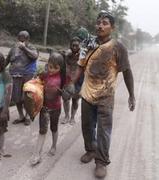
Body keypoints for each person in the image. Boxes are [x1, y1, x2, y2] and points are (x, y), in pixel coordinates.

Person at [72, 11, 136, 178]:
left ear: (112, 28)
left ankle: (101, 161)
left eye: (105, 23)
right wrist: (71, 84)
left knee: (103, 130)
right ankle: (91, 150)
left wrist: (132, 95)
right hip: (87, 93)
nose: (100, 25)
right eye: (98, 22)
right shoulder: (87, 44)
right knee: (86, 125)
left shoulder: (118, 47)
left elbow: (127, 72)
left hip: (106, 96)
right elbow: (80, 66)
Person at [30, 52, 68, 165]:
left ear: (60, 68)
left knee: (54, 129)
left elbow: (67, 95)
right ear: (48, 64)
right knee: (42, 130)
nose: (52, 70)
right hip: (44, 108)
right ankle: (37, 154)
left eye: (55, 68)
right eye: (50, 66)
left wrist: (64, 93)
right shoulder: (44, 75)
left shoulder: (63, 78)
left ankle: (54, 146)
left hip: (56, 108)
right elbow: (36, 82)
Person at [6, 31, 39, 126]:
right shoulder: (14, 47)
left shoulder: (31, 47)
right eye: (19, 37)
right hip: (15, 75)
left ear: (28, 39)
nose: (21, 39)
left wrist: (24, 48)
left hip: (28, 75)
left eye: (23, 38)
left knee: (27, 97)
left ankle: (28, 116)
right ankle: (21, 116)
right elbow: (8, 59)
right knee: (16, 97)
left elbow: (35, 56)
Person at [61, 37, 82, 125]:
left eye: (76, 45)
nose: (74, 47)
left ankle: (72, 117)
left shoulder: (82, 54)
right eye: (73, 45)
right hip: (67, 79)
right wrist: (65, 55)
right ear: (70, 45)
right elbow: (61, 64)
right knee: (66, 99)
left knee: (75, 100)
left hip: (78, 80)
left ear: (79, 46)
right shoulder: (66, 54)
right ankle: (66, 116)